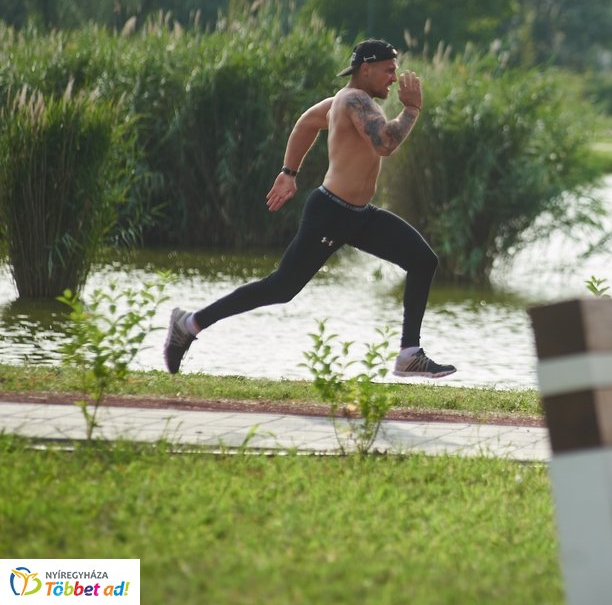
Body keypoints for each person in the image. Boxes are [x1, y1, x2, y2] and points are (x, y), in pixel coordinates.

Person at [163, 39, 455, 378]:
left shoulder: (343, 102)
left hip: (358, 215)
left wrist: (289, 173)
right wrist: (412, 110)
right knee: (280, 288)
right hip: (332, 214)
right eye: (389, 70)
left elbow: (306, 122)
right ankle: (189, 323)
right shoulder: (356, 100)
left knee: (423, 260)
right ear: (366, 69)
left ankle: (409, 353)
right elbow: (385, 144)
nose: (394, 77)